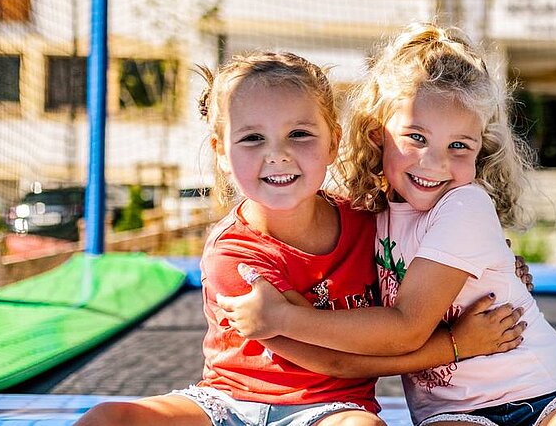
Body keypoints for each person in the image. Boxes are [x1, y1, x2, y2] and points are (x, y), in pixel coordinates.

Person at [216, 23, 556, 426]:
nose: (435, 162)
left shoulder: (464, 205)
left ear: (481, 148)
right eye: (416, 137)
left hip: (543, 391)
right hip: (453, 411)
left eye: (459, 145)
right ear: (377, 135)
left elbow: (406, 326)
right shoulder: (370, 215)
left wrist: (282, 317)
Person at [75, 51, 527, 426]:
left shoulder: (371, 221)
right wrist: (455, 345)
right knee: (108, 418)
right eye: (252, 138)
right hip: (228, 403)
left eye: (299, 134)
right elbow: (329, 361)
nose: (278, 154)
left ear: (333, 142)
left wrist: (498, 270)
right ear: (221, 152)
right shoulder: (233, 253)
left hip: (331, 409)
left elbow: (439, 259)